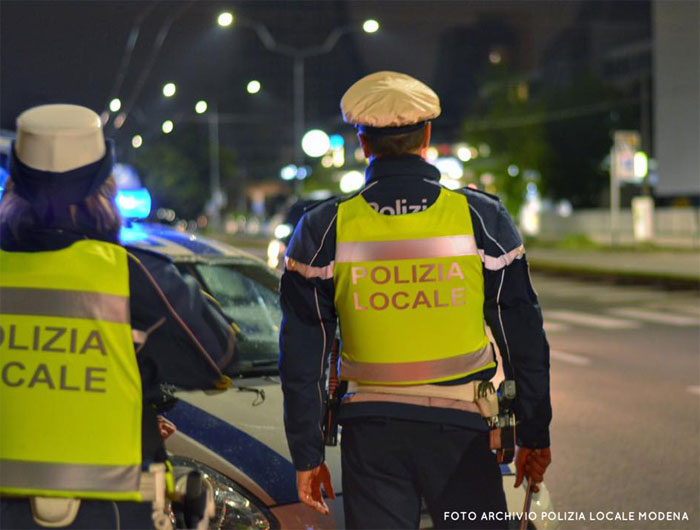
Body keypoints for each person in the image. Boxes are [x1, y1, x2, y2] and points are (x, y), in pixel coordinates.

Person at [279, 71, 552, 529]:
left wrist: (307, 455)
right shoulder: (480, 218)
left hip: (371, 435)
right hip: (462, 432)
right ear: (426, 136)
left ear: (363, 144)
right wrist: (534, 433)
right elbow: (523, 337)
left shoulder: (322, 227)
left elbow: (302, 359)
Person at [0, 104, 236, 529]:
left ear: (14, 183)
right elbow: (215, 355)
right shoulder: (133, 275)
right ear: (103, 187)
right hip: (112, 514)